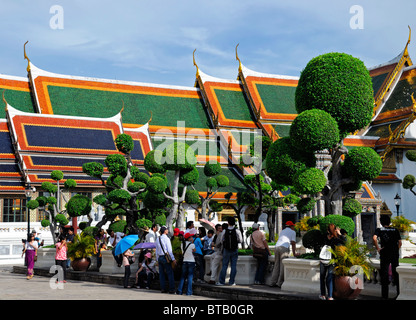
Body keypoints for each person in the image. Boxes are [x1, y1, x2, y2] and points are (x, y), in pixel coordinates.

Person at [373, 215, 402, 299]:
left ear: (381, 222)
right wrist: (396, 249)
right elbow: (400, 243)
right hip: (394, 253)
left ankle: (384, 296)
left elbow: (374, 238)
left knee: (384, 275)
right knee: (396, 274)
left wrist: (378, 248)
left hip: (384, 253)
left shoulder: (379, 230)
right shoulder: (395, 230)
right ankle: (399, 294)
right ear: (389, 222)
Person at [318, 223, 346, 300]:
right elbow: (345, 242)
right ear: (335, 230)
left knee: (322, 277)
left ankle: (322, 295)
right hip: (332, 260)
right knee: (330, 277)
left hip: (323, 259)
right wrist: (339, 233)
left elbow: (319, 245)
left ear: (327, 230)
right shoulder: (336, 238)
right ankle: (330, 296)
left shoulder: (324, 237)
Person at [270, 221, 298, 288]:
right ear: (291, 226)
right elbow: (293, 243)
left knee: (276, 265)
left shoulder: (282, 231)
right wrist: (294, 253)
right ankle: (280, 283)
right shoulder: (292, 232)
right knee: (283, 265)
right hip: (284, 248)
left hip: (277, 247)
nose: (294, 227)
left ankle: (272, 282)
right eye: (293, 226)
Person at [217, 216, 242, 286]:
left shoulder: (225, 231)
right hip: (234, 249)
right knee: (233, 266)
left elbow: (221, 240)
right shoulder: (237, 231)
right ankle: (232, 281)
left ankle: (222, 281)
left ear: (228, 223)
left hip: (226, 250)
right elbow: (241, 240)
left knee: (224, 265)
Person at [156, 226, 176, 294]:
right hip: (166, 257)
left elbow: (156, 251)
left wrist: (157, 259)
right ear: (165, 231)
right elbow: (169, 250)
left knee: (161, 274)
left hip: (160, 257)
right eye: (167, 229)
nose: (168, 230)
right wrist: (173, 259)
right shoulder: (167, 239)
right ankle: (172, 289)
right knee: (169, 273)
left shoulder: (157, 239)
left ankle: (163, 288)